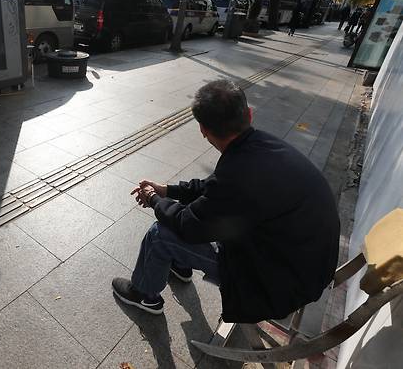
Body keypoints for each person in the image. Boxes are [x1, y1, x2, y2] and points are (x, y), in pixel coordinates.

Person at [112, 80, 340, 323]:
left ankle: (145, 295)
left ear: (203, 130)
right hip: (304, 263)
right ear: (249, 115)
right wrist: (168, 191)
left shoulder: (238, 172)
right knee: (202, 213)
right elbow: (213, 188)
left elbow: (189, 224)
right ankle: (180, 263)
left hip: (275, 283)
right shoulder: (261, 146)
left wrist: (153, 198)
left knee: (160, 233)